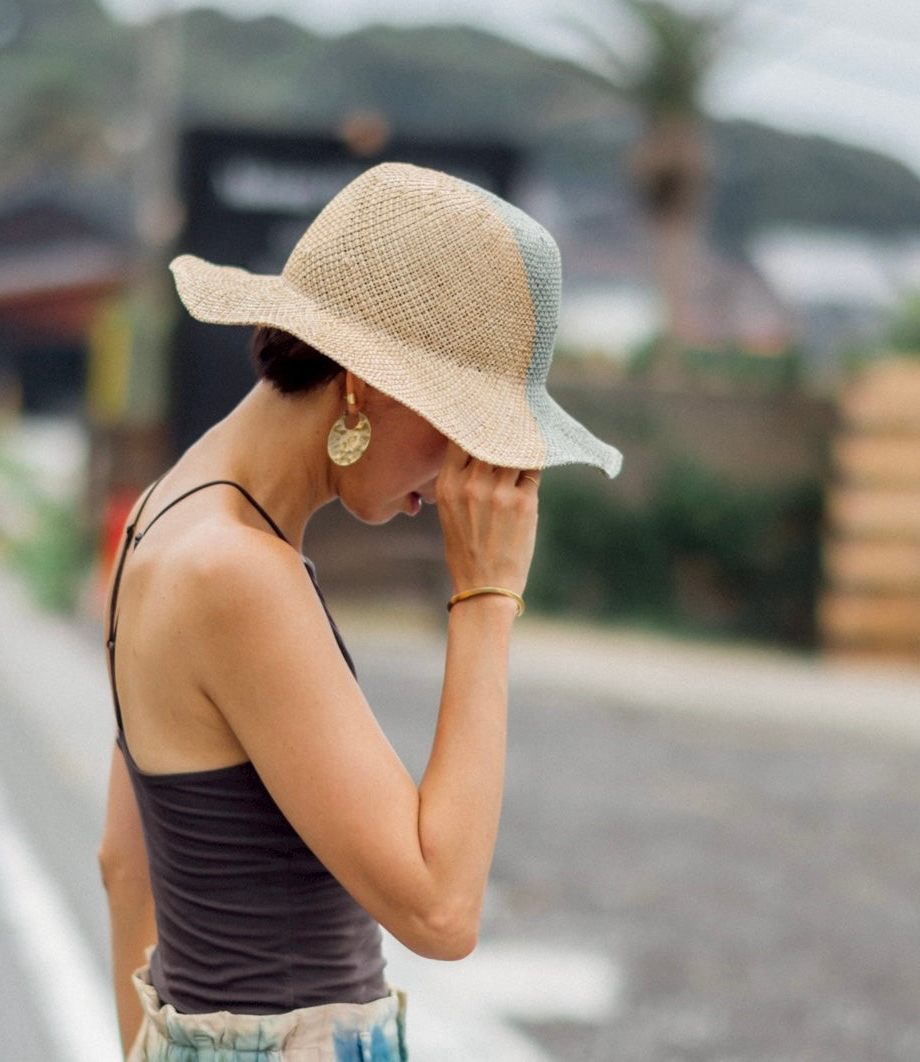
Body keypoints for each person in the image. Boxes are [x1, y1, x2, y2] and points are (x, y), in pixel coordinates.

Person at [98, 161, 622, 1061]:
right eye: (464, 428)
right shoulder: (239, 573)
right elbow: (442, 908)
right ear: (368, 383)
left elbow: (125, 863)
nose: (466, 474)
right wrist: (486, 594)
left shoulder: (165, 511)